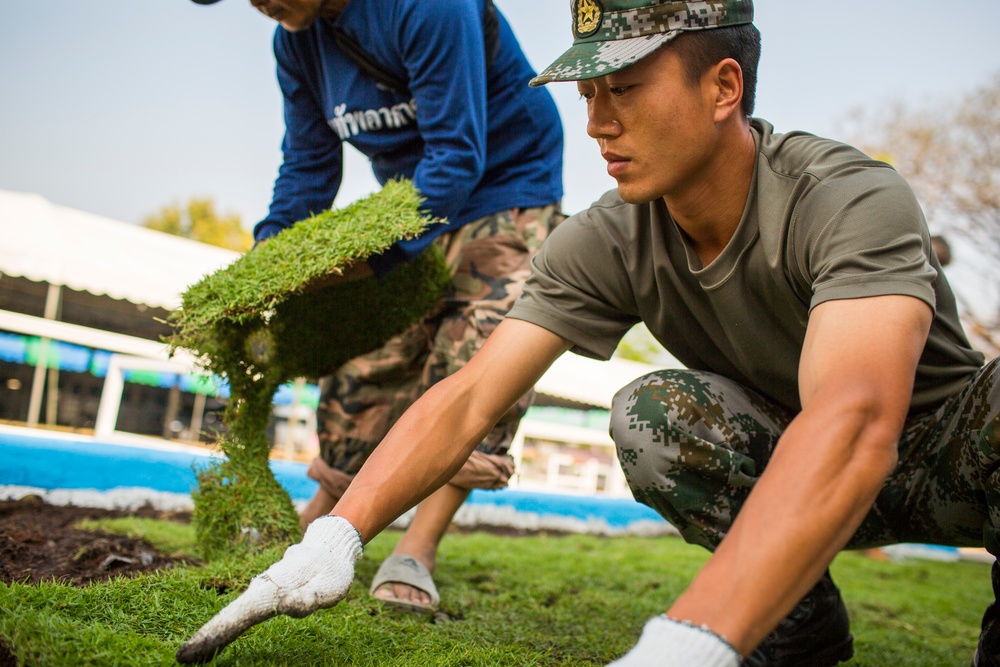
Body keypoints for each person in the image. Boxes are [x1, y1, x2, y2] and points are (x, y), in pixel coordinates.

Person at [176, 0, 1000, 665]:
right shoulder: (610, 234)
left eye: (627, 87)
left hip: (946, 456)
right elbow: (467, 398)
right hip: (792, 473)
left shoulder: (849, 197)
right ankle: (799, 629)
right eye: (588, 94)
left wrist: (690, 635)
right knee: (654, 417)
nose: (598, 123)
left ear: (723, 88)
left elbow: (857, 423)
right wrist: (335, 536)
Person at [189, 0, 565, 615]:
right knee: (366, 360)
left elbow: (457, 154)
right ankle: (325, 521)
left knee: (480, 353)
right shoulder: (297, 41)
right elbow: (307, 169)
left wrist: (368, 263)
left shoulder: (426, 8)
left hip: (506, 185)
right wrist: (265, 263)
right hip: (409, 204)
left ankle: (417, 547)